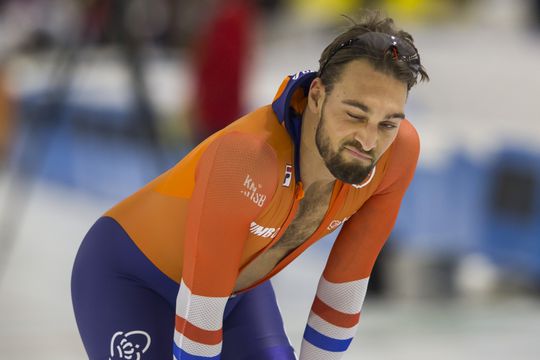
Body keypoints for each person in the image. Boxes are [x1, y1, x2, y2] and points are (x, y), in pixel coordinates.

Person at [71, 10, 429, 360]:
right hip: (130, 278)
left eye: (388, 123)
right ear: (317, 96)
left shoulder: (397, 154)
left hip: (236, 293)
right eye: (355, 114)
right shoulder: (246, 160)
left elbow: (343, 290)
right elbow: (199, 319)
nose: (368, 140)